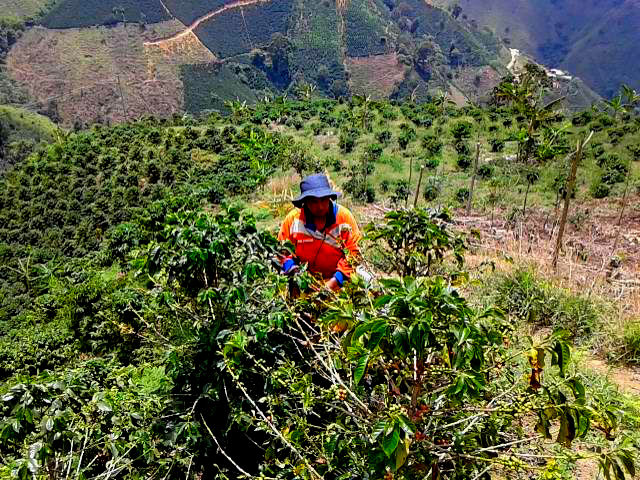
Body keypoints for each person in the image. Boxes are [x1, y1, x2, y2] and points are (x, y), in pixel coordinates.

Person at [278, 174, 361, 291]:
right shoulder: (293, 220)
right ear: (305, 202)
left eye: (323, 200)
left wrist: (335, 280)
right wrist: (294, 272)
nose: (320, 207)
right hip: (303, 282)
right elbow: (281, 252)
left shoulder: (344, 218)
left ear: (329, 198)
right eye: (314, 202)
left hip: (338, 281)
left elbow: (354, 253)